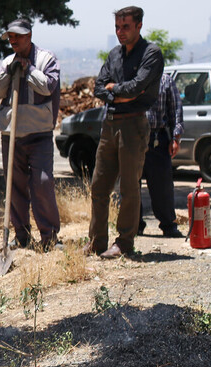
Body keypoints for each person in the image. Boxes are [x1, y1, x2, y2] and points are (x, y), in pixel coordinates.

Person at [85, 6, 164, 259]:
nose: (120, 32)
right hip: (109, 125)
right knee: (98, 186)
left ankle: (124, 243)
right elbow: (99, 87)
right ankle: (97, 242)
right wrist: (116, 95)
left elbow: (138, 87)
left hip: (133, 125)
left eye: (125, 26)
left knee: (129, 188)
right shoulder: (114, 54)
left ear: (139, 25)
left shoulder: (151, 53)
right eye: (117, 27)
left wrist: (116, 91)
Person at [0, 18, 61, 251]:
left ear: (29, 35)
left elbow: (48, 86)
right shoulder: (8, 61)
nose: (13, 41)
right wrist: (10, 72)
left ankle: (49, 237)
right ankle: (21, 236)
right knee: (15, 186)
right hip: (11, 134)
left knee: (42, 183)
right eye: (10, 37)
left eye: (17, 36)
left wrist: (28, 69)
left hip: (39, 133)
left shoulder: (46, 59)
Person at [139, 73, 184, 238]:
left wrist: (176, 138)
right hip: (132, 138)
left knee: (162, 186)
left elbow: (175, 111)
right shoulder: (128, 77)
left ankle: (168, 225)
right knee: (130, 186)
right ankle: (134, 226)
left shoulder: (165, 80)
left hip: (157, 139)